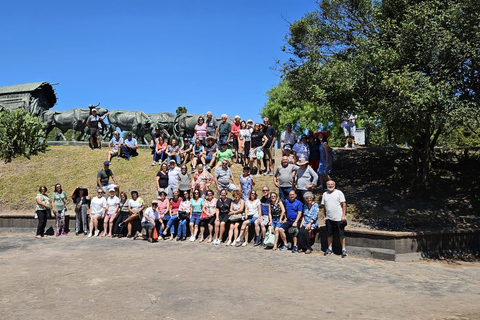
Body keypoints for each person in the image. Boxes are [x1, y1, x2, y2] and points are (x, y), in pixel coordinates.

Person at [322, 180, 348, 258]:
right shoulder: (325, 194)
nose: (330, 186)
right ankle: (329, 248)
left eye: (331, 184)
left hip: (338, 218)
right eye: (329, 184)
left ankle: (343, 249)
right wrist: (324, 216)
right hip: (329, 218)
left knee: (341, 235)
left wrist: (343, 215)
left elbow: (344, 204)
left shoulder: (339, 193)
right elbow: (324, 206)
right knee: (329, 234)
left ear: (334, 185)